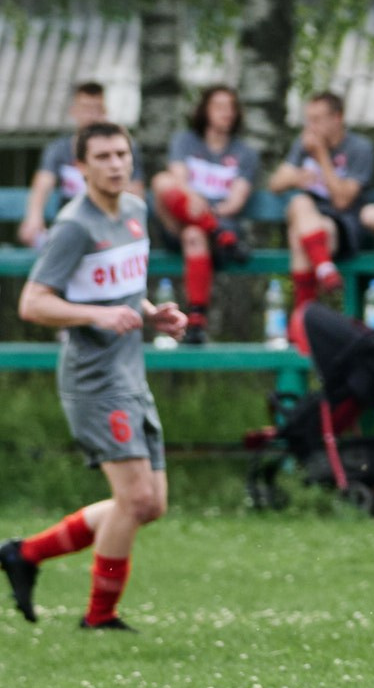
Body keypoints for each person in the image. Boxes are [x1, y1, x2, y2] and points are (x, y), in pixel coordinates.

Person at [1, 121, 186, 629]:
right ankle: (99, 616)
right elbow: (33, 303)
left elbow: (122, 290)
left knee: (151, 505)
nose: (115, 164)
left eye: (121, 154)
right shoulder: (73, 225)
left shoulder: (134, 210)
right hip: (94, 381)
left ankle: (25, 554)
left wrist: (151, 313)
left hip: (130, 374)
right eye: (102, 156)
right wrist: (95, 316)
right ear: (80, 167)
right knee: (136, 499)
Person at [152, 84, 259, 344]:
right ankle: (216, 231)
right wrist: (197, 203)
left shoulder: (246, 153)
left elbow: (235, 201)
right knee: (161, 181)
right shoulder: (185, 141)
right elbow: (177, 181)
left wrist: (206, 212)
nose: (227, 113)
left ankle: (197, 320)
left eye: (231, 107)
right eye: (219, 106)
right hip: (186, 221)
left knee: (194, 233)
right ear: (204, 110)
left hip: (217, 228)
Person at [270, 91, 374, 306]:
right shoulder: (304, 144)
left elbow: (342, 201)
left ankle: (304, 315)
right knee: (300, 206)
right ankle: (324, 270)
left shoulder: (360, 148)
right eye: (309, 120)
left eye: (317, 120)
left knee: (300, 235)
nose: (311, 127)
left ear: (337, 118)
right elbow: (275, 183)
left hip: (346, 226)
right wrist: (297, 178)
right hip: (314, 224)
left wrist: (321, 157)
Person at [17, 81, 108, 248]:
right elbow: (43, 183)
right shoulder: (59, 149)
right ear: (74, 111)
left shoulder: (118, 148)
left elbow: (133, 192)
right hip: (69, 226)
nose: (91, 115)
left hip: (106, 225)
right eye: (85, 108)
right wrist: (34, 217)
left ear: (104, 112)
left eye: (96, 109)